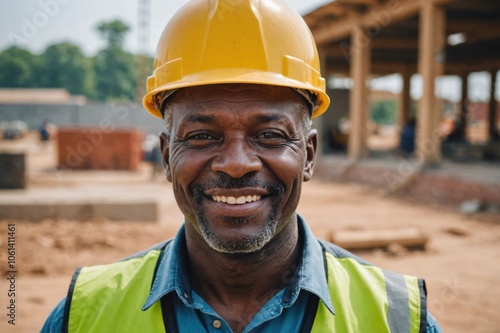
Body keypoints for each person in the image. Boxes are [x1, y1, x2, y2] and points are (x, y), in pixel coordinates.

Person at [42, 0, 443, 332]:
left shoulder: (397, 319)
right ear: (166, 156)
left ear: (309, 155)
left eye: (269, 135)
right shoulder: (84, 316)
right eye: (202, 136)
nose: (236, 164)